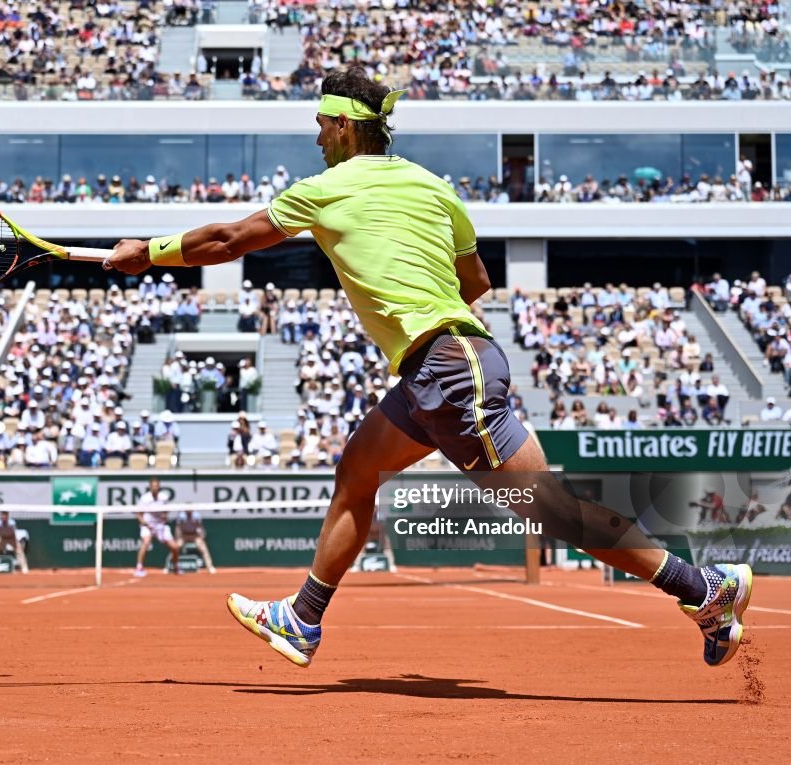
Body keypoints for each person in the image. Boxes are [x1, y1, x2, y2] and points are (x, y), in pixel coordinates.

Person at [104, 66, 752, 669]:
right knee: (357, 469)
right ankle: (303, 617)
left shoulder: (327, 189)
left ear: (345, 126)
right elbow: (475, 279)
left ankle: (703, 588)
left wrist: (150, 252)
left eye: (321, 124)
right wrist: (423, 320)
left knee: (553, 512)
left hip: (447, 369)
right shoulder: (435, 188)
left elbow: (227, 241)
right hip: (446, 367)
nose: (317, 135)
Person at [134, 479, 180, 577]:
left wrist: (164, 516)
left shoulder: (164, 498)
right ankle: (139, 567)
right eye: (153, 486)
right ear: (150, 487)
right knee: (146, 542)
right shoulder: (145, 498)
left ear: (159, 487)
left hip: (160, 526)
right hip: (147, 525)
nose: (155, 488)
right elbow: (138, 514)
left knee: (174, 547)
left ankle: (176, 567)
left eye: (156, 486)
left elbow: (166, 512)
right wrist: (144, 522)